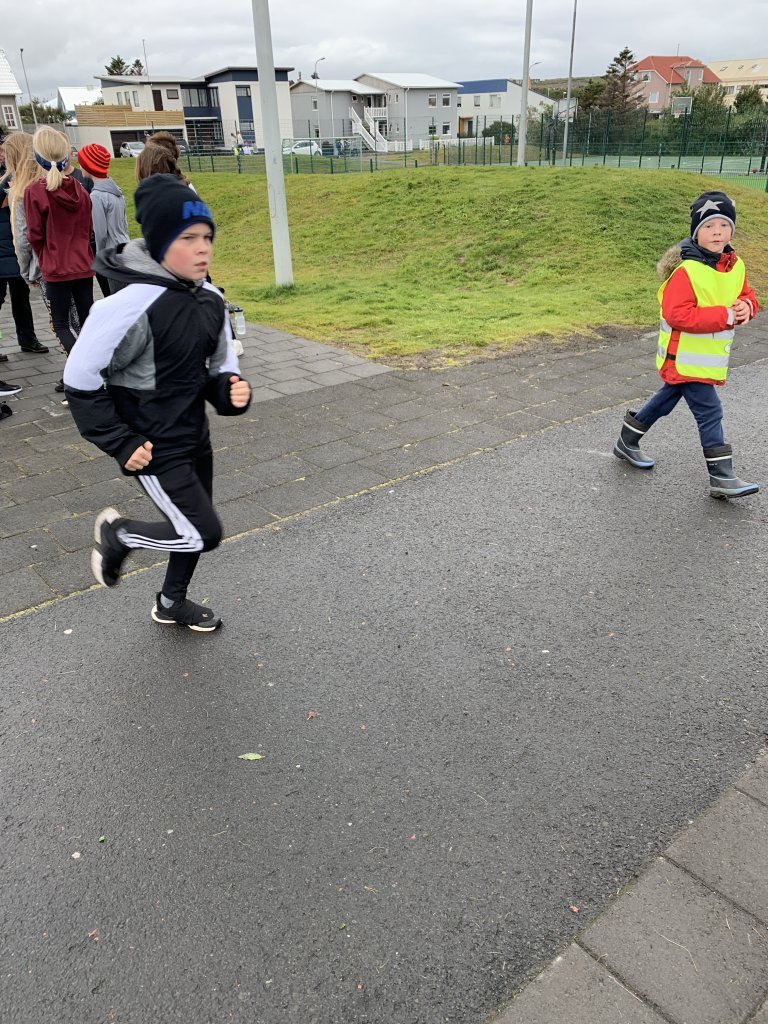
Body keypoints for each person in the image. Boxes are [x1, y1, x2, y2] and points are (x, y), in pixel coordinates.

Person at [63, 173, 252, 630]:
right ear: (161, 243)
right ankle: (119, 534)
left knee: (189, 529)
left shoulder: (211, 300)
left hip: (194, 438)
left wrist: (230, 392)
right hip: (151, 447)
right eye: (188, 238)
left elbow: (218, 370)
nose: (203, 249)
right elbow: (79, 381)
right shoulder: (124, 308)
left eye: (207, 237)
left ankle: (170, 602)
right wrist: (120, 442)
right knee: (202, 532)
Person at [614, 190, 759, 498]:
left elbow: (746, 295)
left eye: (724, 225)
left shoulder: (735, 266)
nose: (717, 232)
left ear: (732, 230)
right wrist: (726, 316)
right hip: (681, 356)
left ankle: (627, 440)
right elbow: (677, 315)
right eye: (708, 226)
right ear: (696, 232)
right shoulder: (686, 271)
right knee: (710, 411)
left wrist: (747, 307)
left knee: (665, 400)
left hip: (702, 359)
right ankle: (721, 476)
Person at [23, 127, 94, 368]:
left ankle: (82, 371)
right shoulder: (81, 189)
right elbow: (88, 229)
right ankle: (96, 367)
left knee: (61, 324)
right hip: (83, 264)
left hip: (55, 266)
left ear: (37, 156)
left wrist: (45, 255)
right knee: (87, 321)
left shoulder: (34, 192)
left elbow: (34, 235)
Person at [0, 136, 48, 360]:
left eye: (3, 151)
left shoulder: (19, 177)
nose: (2, 155)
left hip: (16, 248)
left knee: (21, 296)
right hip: (4, 248)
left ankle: (28, 339)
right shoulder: (8, 179)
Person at [76, 143, 129, 297]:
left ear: (90, 166)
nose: (80, 166)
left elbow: (100, 233)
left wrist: (100, 258)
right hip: (125, 248)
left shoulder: (96, 196)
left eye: (82, 163)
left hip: (111, 255)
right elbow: (124, 224)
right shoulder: (117, 192)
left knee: (117, 298)